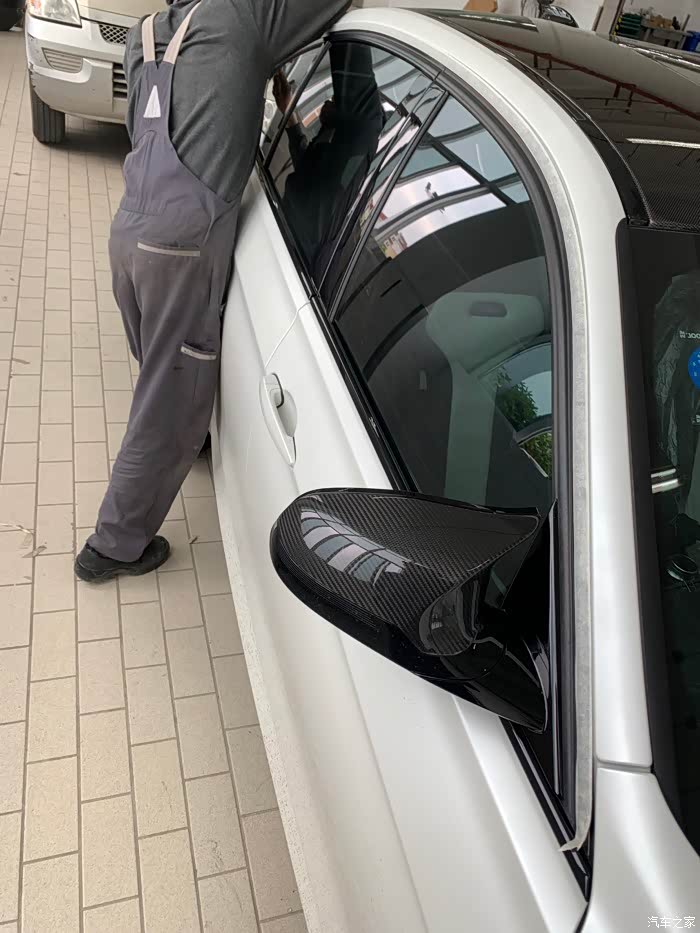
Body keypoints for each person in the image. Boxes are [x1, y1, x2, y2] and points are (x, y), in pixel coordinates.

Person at [75, 0, 350, 583]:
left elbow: (147, 131)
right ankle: (114, 546)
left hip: (130, 233)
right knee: (168, 403)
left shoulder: (145, 34)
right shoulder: (241, 19)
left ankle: (184, 445)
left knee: (159, 374)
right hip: (180, 249)